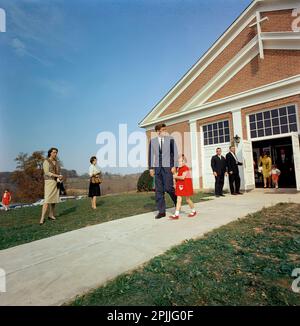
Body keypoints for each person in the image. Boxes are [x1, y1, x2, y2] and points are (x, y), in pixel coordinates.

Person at [149, 123, 177, 219]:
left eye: (165, 129)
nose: (165, 131)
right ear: (158, 131)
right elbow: (151, 155)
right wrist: (151, 168)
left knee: (169, 188)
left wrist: (174, 166)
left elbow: (175, 153)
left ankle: (177, 201)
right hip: (157, 169)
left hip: (168, 167)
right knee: (159, 191)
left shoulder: (170, 140)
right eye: (163, 129)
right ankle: (161, 211)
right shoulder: (152, 141)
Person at [39, 148, 63, 225]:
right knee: (47, 200)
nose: (55, 154)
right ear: (50, 153)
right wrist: (57, 175)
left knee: (54, 199)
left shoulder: (57, 162)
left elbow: (59, 171)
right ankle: (42, 218)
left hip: (56, 182)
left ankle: (51, 215)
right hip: (49, 182)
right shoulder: (46, 161)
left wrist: (60, 176)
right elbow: (46, 172)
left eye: (56, 152)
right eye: (54, 152)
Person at [169, 155, 196, 220]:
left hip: (186, 185)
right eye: (178, 162)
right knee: (178, 200)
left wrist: (175, 176)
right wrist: (174, 172)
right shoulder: (178, 168)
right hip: (180, 185)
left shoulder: (186, 168)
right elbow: (177, 175)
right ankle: (176, 214)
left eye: (180, 161)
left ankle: (193, 211)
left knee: (187, 199)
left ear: (183, 162)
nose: (178, 163)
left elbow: (183, 177)